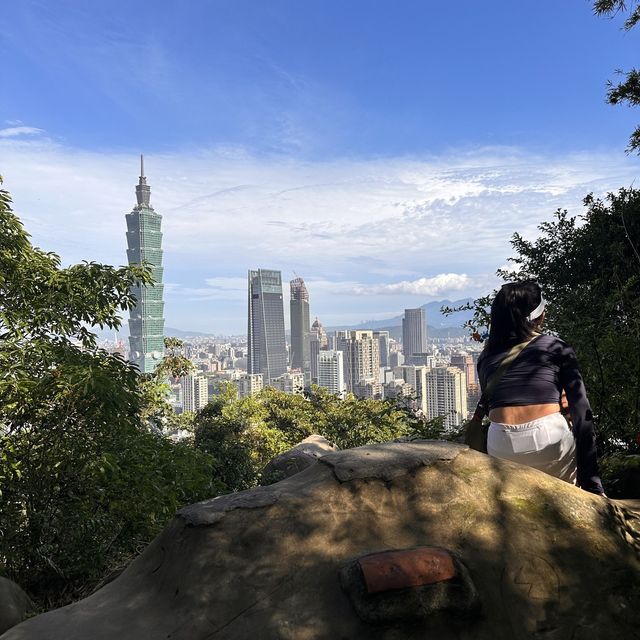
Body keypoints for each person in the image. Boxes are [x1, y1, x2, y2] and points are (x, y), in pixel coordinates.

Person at [476, 281, 604, 495]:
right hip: (548, 441)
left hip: (500, 447)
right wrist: (592, 483)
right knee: (564, 495)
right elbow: (582, 413)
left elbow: (492, 407)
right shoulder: (555, 347)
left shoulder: (486, 357)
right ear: (539, 315)